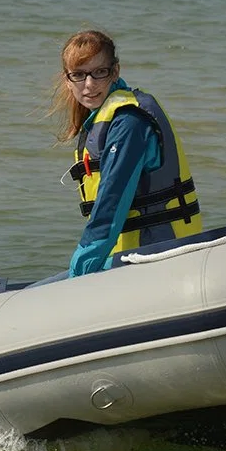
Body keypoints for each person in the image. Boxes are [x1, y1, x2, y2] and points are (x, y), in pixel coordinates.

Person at [50, 29, 203, 276]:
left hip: (158, 257)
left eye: (99, 72)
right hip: (129, 257)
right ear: (68, 80)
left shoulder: (129, 123)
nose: (89, 85)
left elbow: (111, 204)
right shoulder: (103, 119)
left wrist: (79, 271)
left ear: (115, 72)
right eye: (79, 75)